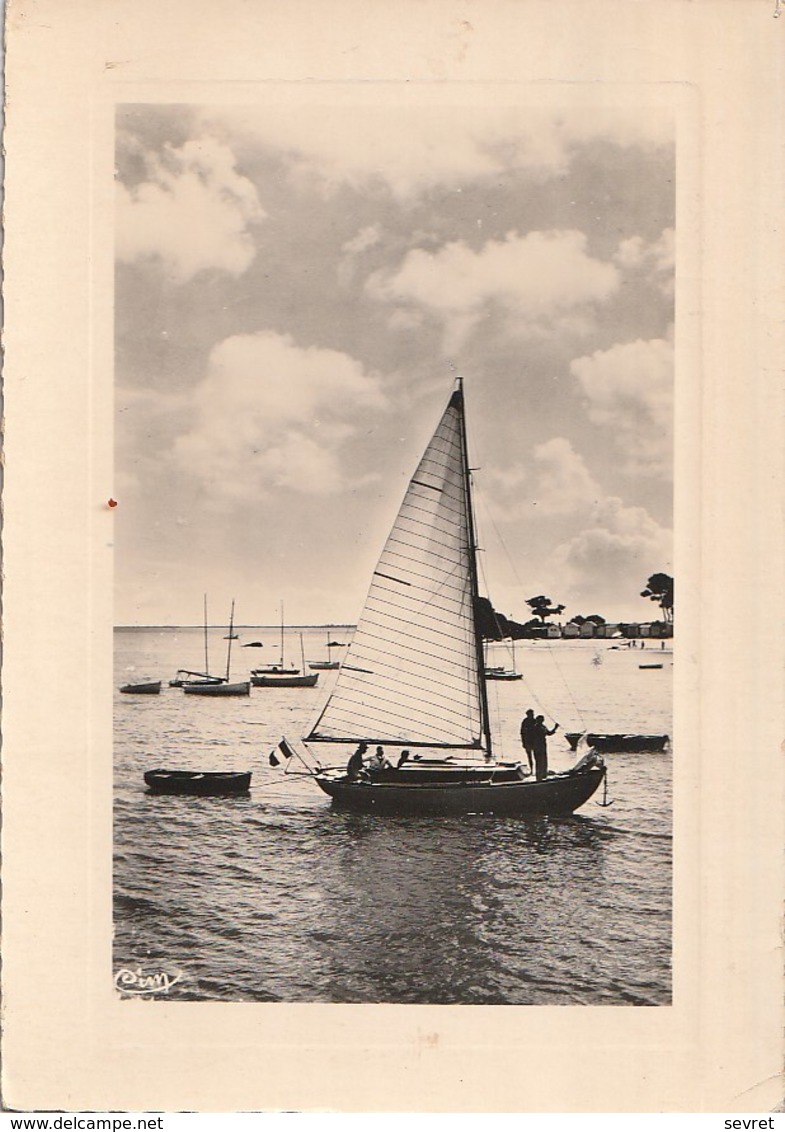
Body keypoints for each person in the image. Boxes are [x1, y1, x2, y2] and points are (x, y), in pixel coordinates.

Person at [531, 715, 559, 781]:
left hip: (542, 745)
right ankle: (538, 775)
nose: (541, 721)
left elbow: (549, 733)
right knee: (538, 760)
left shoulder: (543, 727)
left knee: (544, 759)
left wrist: (555, 728)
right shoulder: (535, 727)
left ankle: (543, 774)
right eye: (540, 720)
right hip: (537, 746)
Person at [519, 709, 536, 774]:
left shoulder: (535, 721)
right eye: (531, 714)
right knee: (530, 757)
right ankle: (531, 770)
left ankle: (536, 770)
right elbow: (522, 733)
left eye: (532, 714)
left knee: (536, 756)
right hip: (528, 741)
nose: (532, 715)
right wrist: (523, 742)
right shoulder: (525, 721)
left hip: (534, 741)